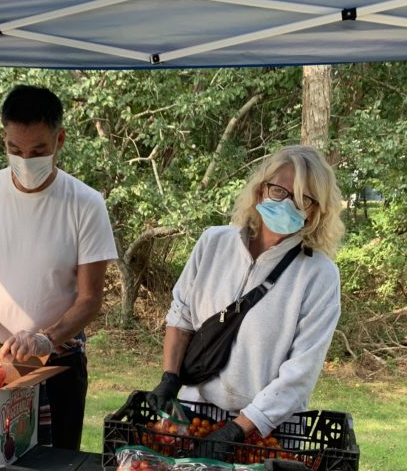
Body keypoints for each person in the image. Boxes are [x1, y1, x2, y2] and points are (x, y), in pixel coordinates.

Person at [0, 85, 118, 451]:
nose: (25, 160)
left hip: (57, 365)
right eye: (14, 150)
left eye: (38, 150)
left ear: (60, 140)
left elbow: (90, 299)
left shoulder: (85, 203)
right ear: (4, 140)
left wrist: (46, 337)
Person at [147, 145, 344, 445]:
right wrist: (169, 378)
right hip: (193, 415)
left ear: (316, 210)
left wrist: (236, 430)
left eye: (303, 198)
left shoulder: (319, 275)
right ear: (261, 190)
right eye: (279, 190)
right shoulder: (213, 243)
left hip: (265, 431)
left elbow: (299, 373)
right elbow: (182, 315)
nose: (288, 204)